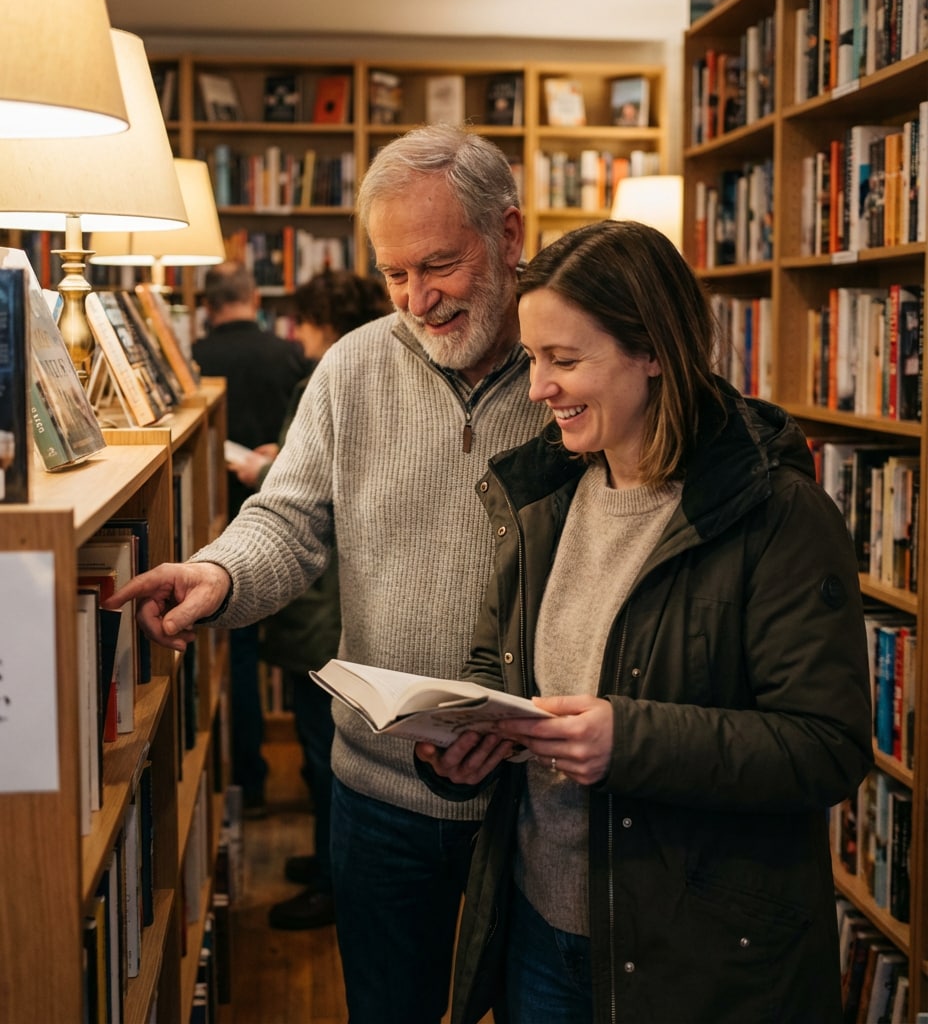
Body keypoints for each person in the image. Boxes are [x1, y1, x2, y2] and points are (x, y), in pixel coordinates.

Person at [105, 124, 550, 1024]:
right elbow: (287, 519)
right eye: (394, 274)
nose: (417, 300)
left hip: (542, 796)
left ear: (509, 237)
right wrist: (218, 576)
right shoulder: (351, 368)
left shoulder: (574, 366)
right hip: (379, 792)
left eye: (440, 265)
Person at [415, 219, 874, 1024]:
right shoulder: (544, 498)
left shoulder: (778, 517)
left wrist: (628, 741)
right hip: (538, 927)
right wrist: (465, 739)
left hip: (694, 961)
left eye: (565, 360)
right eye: (533, 359)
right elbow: (500, 668)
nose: (537, 390)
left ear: (654, 351)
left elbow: (825, 749)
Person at [229, 268, 391, 930]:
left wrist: (261, 469)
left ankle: (333, 876)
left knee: (326, 748)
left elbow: (307, 494)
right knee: (322, 742)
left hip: (321, 605)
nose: (296, 334)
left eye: (304, 320)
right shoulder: (372, 377)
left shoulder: (331, 379)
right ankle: (328, 862)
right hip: (334, 596)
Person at [192, 261, 308, 816]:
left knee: (233, 653)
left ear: (207, 305)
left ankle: (248, 783)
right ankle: (312, 795)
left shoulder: (194, 358)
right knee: (296, 653)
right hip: (299, 524)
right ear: (254, 297)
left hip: (212, 525)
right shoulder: (289, 355)